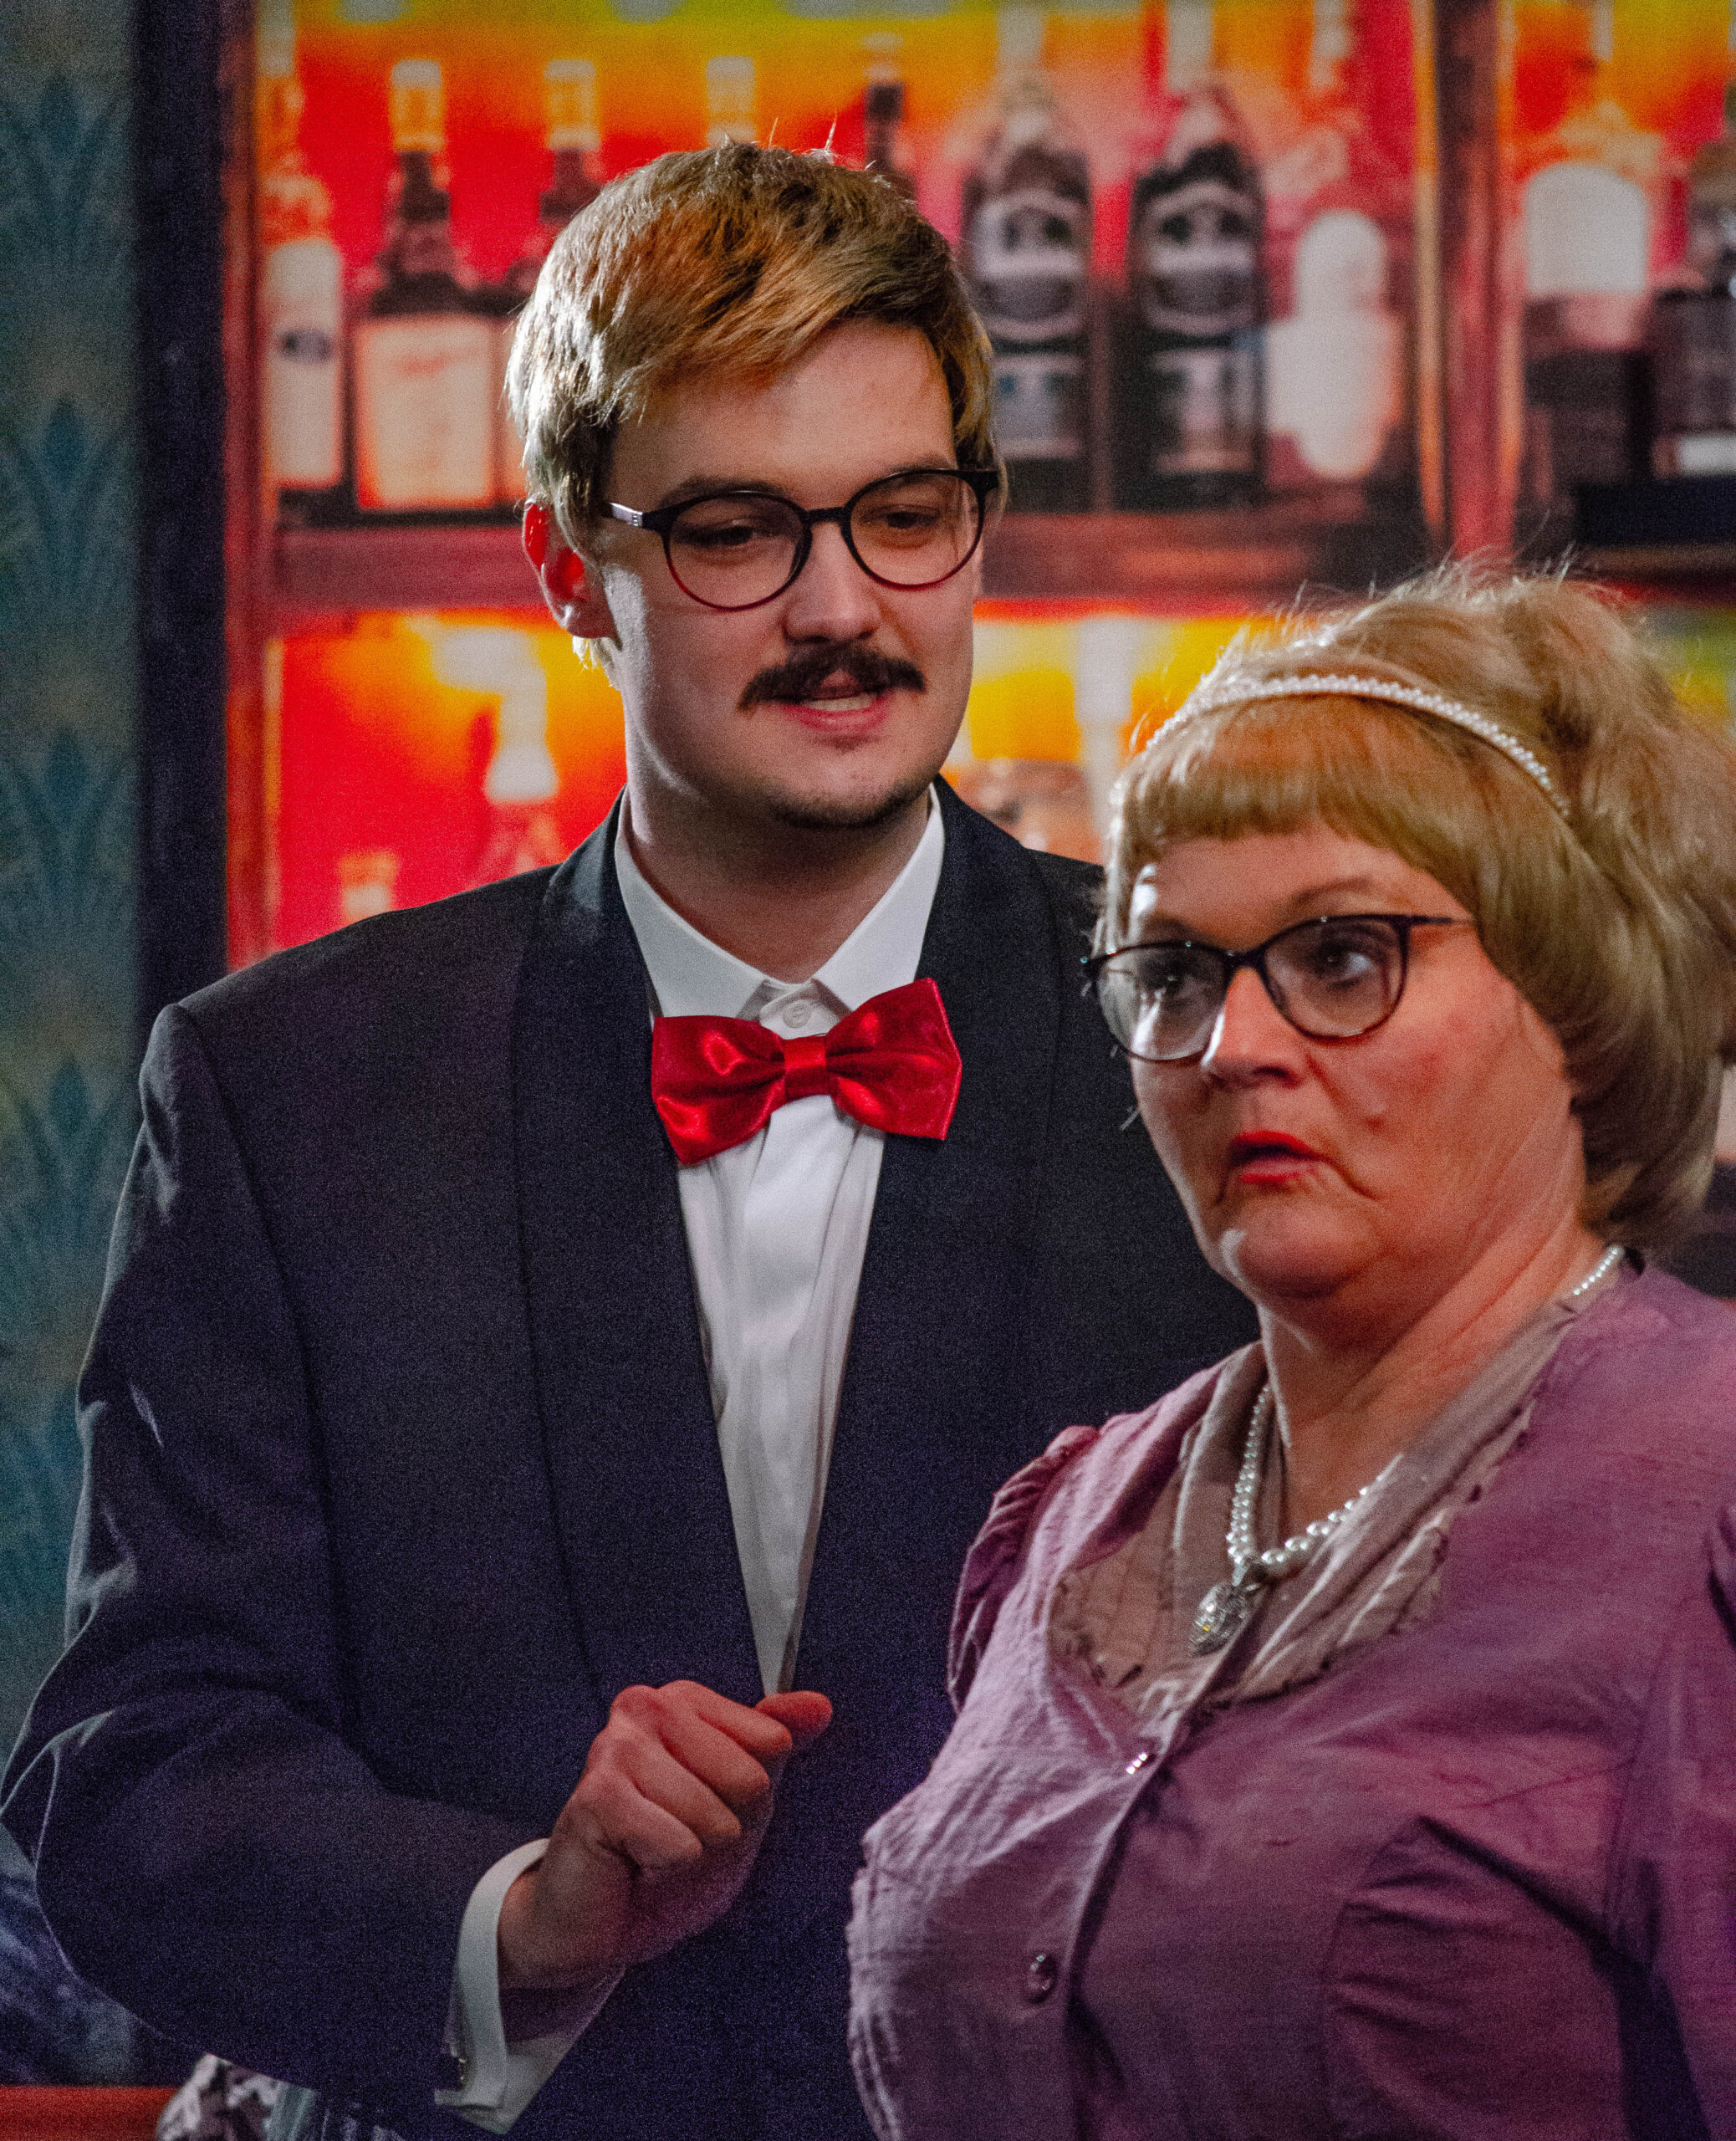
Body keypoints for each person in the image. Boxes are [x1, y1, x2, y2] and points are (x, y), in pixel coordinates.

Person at [1, 146, 1252, 2141]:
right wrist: (523, 1915)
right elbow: (135, 1777)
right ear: (573, 568)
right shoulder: (286, 1087)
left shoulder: (1206, 1040)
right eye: (738, 531)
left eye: (904, 515)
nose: (841, 607)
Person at [847, 567, 1736, 2140]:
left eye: (1342, 957)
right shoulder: (1076, 1519)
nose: (1235, 1046)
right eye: (1176, 975)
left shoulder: (1704, 1496)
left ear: (1579, 999)